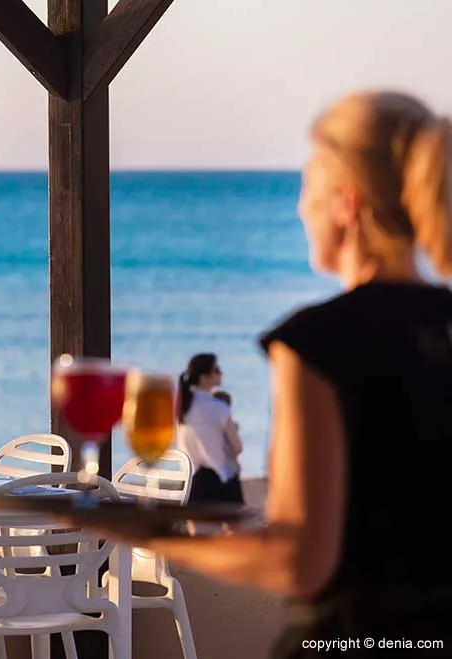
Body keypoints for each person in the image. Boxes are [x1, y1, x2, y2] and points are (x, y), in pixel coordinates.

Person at [57, 90, 452, 657]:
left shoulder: (318, 343)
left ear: (348, 201)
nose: (300, 209)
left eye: (307, 187)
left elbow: (296, 561)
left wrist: (142, 530)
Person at [176, 354, 245, 505]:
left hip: (190, 480)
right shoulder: (218, 407)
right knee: (235, 526)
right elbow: (237, 447)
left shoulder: (182, 407)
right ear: (203, 377)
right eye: (217, 370)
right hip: (220, 481)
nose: (221, 373)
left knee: (197, 527)